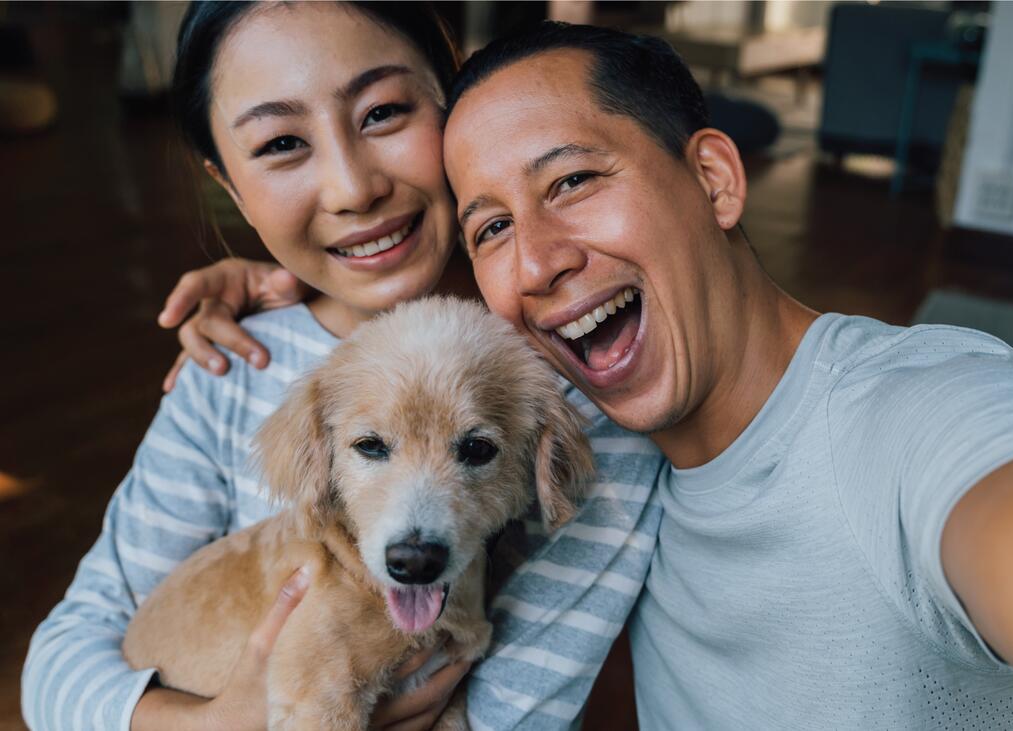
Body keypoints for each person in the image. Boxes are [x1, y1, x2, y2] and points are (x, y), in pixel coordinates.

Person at [156, 21, 1013, 731]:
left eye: (572, 181)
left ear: (713, 175)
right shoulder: (560, 420)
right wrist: (273, 281)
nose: (541, 258)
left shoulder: (914, 409)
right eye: (492, 224)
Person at [22, 7, 662, 731]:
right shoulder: (225, 372)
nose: (353, 188)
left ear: (455, 113)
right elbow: (57, 664)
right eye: (283, 142)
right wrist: (208, 724)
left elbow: (519, 708)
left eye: (383, 110)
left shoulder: (574, 386)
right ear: (229, 186)